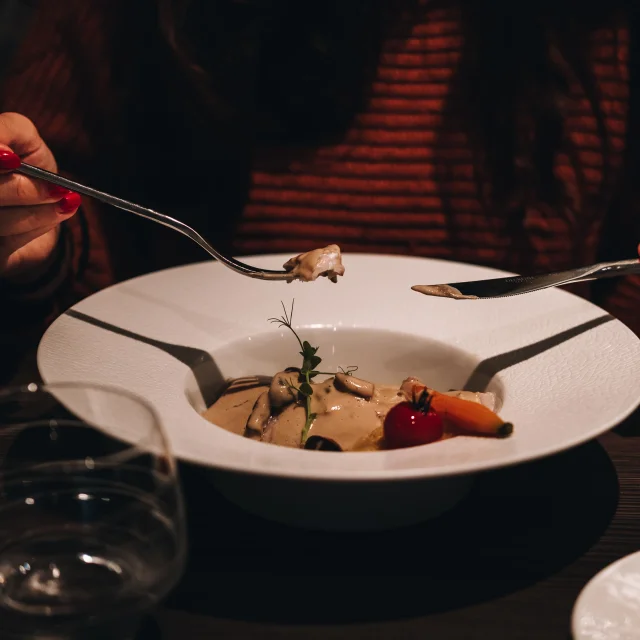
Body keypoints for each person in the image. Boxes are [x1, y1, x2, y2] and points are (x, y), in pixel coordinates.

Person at [0, 0, 638, 381]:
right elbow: (71, 238)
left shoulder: (599, 24)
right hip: (171, 490)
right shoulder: (126, 18)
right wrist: (36, 243)